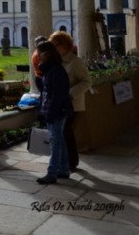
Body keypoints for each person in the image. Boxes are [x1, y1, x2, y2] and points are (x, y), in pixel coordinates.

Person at [49, 31, 92, 171]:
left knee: (66, 132)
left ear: (63, 45)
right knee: (63, 133)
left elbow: (87, 81)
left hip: (72, 104)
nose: (52, 48)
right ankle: (67, 161)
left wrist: (69, 94)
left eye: (54, 45)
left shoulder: (75, 62)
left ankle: (71, 162)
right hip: (60, 104)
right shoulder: (57, 61)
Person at [35, 40, 73, 184]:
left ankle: (52, 173)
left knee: (55, 142)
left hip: (56, 111)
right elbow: (46, 91)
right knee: (60, 140)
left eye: (40, 54)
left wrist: (49, 114)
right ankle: (63, 169)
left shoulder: (56, 70)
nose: (38, 57)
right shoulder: (49, 69)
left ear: (48, 54)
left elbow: (57, 95)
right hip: (54, 110)